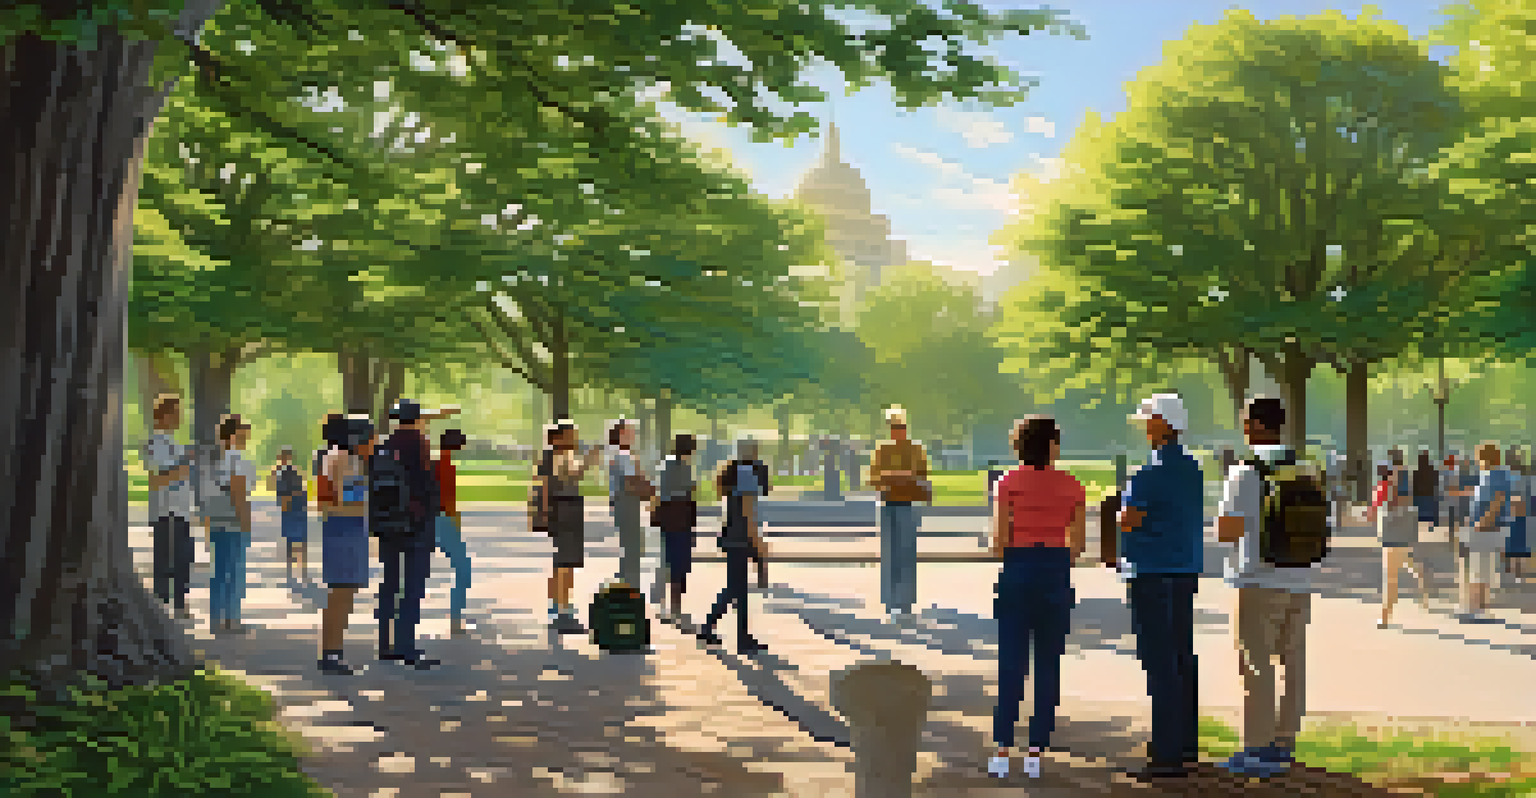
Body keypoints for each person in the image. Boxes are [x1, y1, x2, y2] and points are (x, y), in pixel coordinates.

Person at [1214, 398, 1322, 777]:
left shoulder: (1247, 471)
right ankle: (1284, 743)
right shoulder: (1306, 468)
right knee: (1293, 663)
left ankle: (1255, 749)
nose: (1243, 427)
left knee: (1256, 665)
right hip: (1301, 576)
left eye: (1246, 420)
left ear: (1258, 425)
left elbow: (1227, 530)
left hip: (1259, 578)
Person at [986, 417, 1086, 781]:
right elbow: (1077, 544)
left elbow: (997, 542)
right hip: (1054, 570)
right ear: (1052, 446)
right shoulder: (1072, 486)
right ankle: (1035, 751)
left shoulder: (1007, 483)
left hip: (1018, 568)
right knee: (1048, 664)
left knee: (1011, 663)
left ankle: (1000, 750)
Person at [1117, 393, 1204, 779]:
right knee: (1182, 655)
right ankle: (1185, 743)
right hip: (1184, 568)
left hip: (1150, 570)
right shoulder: (1193, 467)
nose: (1144, 427)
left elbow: (1129, 519)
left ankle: (1166, 752)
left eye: (1149, 420)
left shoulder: (1147, 472)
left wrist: (1119, 510)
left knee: (1159, 659)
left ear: (1162, 424)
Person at [374, 399, 443, 670]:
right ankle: (406, 646)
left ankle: (385, 644)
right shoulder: (420, 444)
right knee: (412, 586)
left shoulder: (384, 445)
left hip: (388, 523)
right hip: (417, 523)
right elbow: (427, 482)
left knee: (389, 584)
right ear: (416, 420)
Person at [697, 439, 771, 654]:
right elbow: (748, 512)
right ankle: (720, 629)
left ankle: (735, 634)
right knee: (736, 588)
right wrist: (758, 542)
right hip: (741, 538)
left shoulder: (733, 472)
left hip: (732, 535)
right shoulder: (747, 473)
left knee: (737, 588)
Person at [317, 415, 376, 674]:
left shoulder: (330, 456)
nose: (374, 443)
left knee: (341, 593)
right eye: (371, 438)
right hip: (346, 528)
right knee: (342, 593)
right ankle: (331, 653)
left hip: (338, 527)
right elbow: (348, 500)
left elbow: (327, 500)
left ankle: (332, 652)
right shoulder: (346, 459)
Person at [868, 405, 931, 622]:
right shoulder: (882, 450)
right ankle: (891, 600)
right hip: (889, 502)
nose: (898, 431)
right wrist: (895, 476)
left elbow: (923, 475)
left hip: (908, 503)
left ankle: (905, 601)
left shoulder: (915, 449)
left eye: (901, 427)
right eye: (894, 427)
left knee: (906, 554)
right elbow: (872, 477)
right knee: (890, 553)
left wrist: (905, 476)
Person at [540, 420, 603, 633]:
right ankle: (562, 611)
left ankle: (559, 607)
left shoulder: (558, 456)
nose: (575, 439)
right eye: (571, 436)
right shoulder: (555, 456)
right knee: (565, 562)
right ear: (559, 438)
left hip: (566, 511)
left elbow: (571, 477)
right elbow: (564, 479)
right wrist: (589, 460)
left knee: (563, 562)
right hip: (564, 511)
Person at [142, 393, 196, 619]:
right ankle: (162, 605)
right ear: (163, 416)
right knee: (166, 559)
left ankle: (181, 604)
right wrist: (182, 469)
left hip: (182, 510)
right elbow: (156, 480)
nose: (180, 417)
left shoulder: (177, 444)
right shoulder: (154, 444)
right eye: (176, 413)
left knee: (184, 558)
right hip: (166, 511)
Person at [207, 414, 256, 635]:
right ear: (235, 435)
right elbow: (239, 494)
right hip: (234, 522)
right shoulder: (238, 460)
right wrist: (246, 524)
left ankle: (217, 618)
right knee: (235, 571)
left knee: (219, 571)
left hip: (218, 520)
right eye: (244, 431)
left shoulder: (215, 462)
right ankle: (232, 619)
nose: (247, 436)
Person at [1368, 448, 1428, 628]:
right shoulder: (1407, 476)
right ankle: (1421, 577)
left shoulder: (1395, 478)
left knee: (1390, 574)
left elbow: (1396, 500)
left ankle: (1385, 616)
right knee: (1399, 562)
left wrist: (1386, 491)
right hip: (1402, 527)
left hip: (1393, 528)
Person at [654, 434, 700, 626]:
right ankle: (675, 607)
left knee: (669, 559)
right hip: (681, 515)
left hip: (668, 515)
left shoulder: (666, 463)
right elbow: (690, 491)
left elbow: (660, 491)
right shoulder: (683, 466)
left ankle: (664, 604)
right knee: (679, 562)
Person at [1467, 443, 1512, 620]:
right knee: (1480, 568)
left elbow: (1498, 501)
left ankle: (1477, 609)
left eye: (1478, 456)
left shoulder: (1497, 476)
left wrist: (1481, 522)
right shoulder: (1487, 475)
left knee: (1480, 569)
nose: (1476, 460)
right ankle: (1479, 608)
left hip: (1487, 528)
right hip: (1483, 526)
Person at [607, 418, 652, 592]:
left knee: (629, 544)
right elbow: (630, 482)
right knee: (633, 545)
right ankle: (630, 584)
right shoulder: (623, 455)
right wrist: (649, 490)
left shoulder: (621, 454)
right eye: (630, 432)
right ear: (621, 434)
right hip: (627, 501)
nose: (633, 435)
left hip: (622, 502)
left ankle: (628, 581)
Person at [435, 428, 471, 637]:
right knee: (463, 568)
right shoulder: (446, 466)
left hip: (429, 520)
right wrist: (455, 523)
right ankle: (456, 620)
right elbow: (448, 501)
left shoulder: (434, 463)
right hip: (443, 521)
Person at [270, 445, 310, 584]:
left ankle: (299, 570)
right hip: (294, 507)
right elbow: (279, 490)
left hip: (296, 507)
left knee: (297, 540)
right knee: (293, 540)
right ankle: (295, 570)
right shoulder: (282, 472)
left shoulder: (291, 471)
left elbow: (292, 491)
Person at [1503, 446, 1529, 581]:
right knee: (1516, 541)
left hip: (1512, 511)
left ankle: (1509, 568)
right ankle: (1515, 569)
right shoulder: (1520, 475)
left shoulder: (1508, 475)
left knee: (1511, 540)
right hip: (1519, 511)